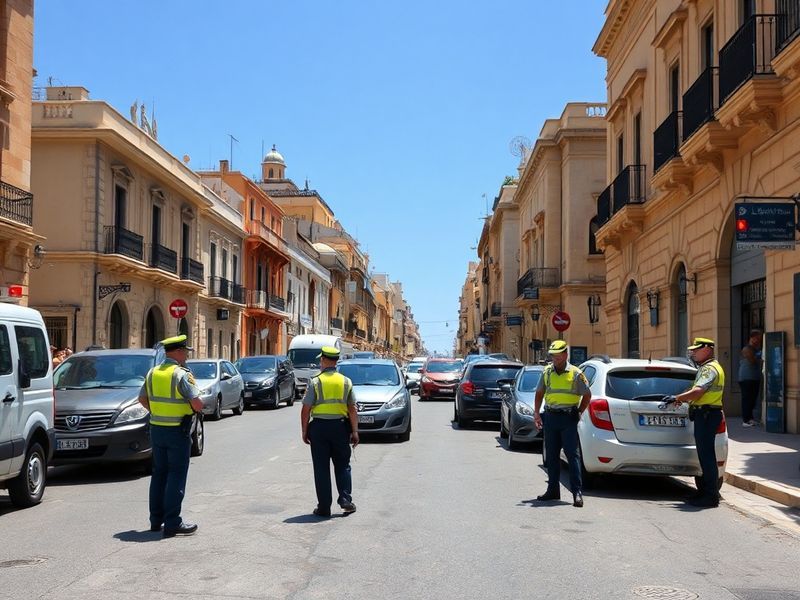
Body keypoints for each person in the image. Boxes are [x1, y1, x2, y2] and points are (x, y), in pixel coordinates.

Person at [138, 334, 204, 537]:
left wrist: (158, 412)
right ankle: (173, 522)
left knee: (159, 475)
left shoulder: (152, 372)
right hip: (177, 430)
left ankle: (156, 520)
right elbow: (197, 403)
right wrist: (197, 409)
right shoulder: (181, 374)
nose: (186, 355)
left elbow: (142, 398)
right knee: (176, 474)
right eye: (185, 351)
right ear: (177, 352)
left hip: (157, 429)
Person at [663, 337, 725, 508]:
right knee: (705, 456)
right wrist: (682, 398)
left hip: (707, 415)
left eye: (696, 350)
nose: (693, 353)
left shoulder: (709, 369)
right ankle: (705, 492)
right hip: (705, 415)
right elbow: (695, 390)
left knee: (707, 457)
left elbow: (698, 391)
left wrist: (677, 398)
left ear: (707, 349)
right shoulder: (708, 367)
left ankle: (711, 496)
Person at [300, 346, 359, 517]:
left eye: (321, 360)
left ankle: (324, 507)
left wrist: (305, 431)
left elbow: (305, 409)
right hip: (340, 428)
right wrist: (355, 431)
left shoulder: (315, 381)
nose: (320, 362)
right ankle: (346, 500)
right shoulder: (346, 381)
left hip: (319, 428)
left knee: (321, 468)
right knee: (343, 466)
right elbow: (352, 408)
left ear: (325, 360)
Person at [533, 340, 592, 508]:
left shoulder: (575, 373)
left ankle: (577, 493)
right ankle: (553, 490)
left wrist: (579, 411)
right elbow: (539, 392)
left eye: (558, 357)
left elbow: (587, 395)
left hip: (568, 419)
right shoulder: (547, 372)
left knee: (572, 456)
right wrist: (536, 413)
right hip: (551, 417)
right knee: (551, 456)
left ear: (566, 355)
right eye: (553, 357)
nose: (555, 360)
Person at [738, 329, 762, 427]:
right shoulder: (747, 349)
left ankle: (750, 418)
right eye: (758, 338)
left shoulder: (755, 349)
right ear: (752, 338)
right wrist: (760, 357)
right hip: (746, 378)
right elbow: (752, 360)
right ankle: (746, 420)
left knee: (752, 399)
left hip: (754, 378)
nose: (759, 341)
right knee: (747, 399)